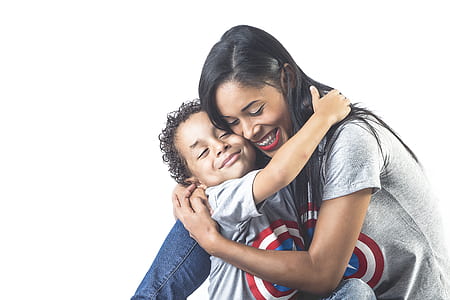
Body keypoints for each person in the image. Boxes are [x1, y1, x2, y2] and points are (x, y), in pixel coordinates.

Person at [132, 25, 450, 299]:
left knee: (355, 292)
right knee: (201, 213)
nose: (248, 131)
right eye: (232, 122)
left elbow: (323, 273)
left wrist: (214, 242)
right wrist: (195, 195)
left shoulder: (351, 140)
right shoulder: (268, 155)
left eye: (255, 110)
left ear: (286, 79)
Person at [156, 91, 372, 300]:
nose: (219, 147)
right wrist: (323, 117)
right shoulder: (217, 199)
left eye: (224, 134)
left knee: (355, 292)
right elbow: (279, 173)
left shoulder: (274, 180)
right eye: (203, 152)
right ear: (195, 183)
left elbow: (285, 163)